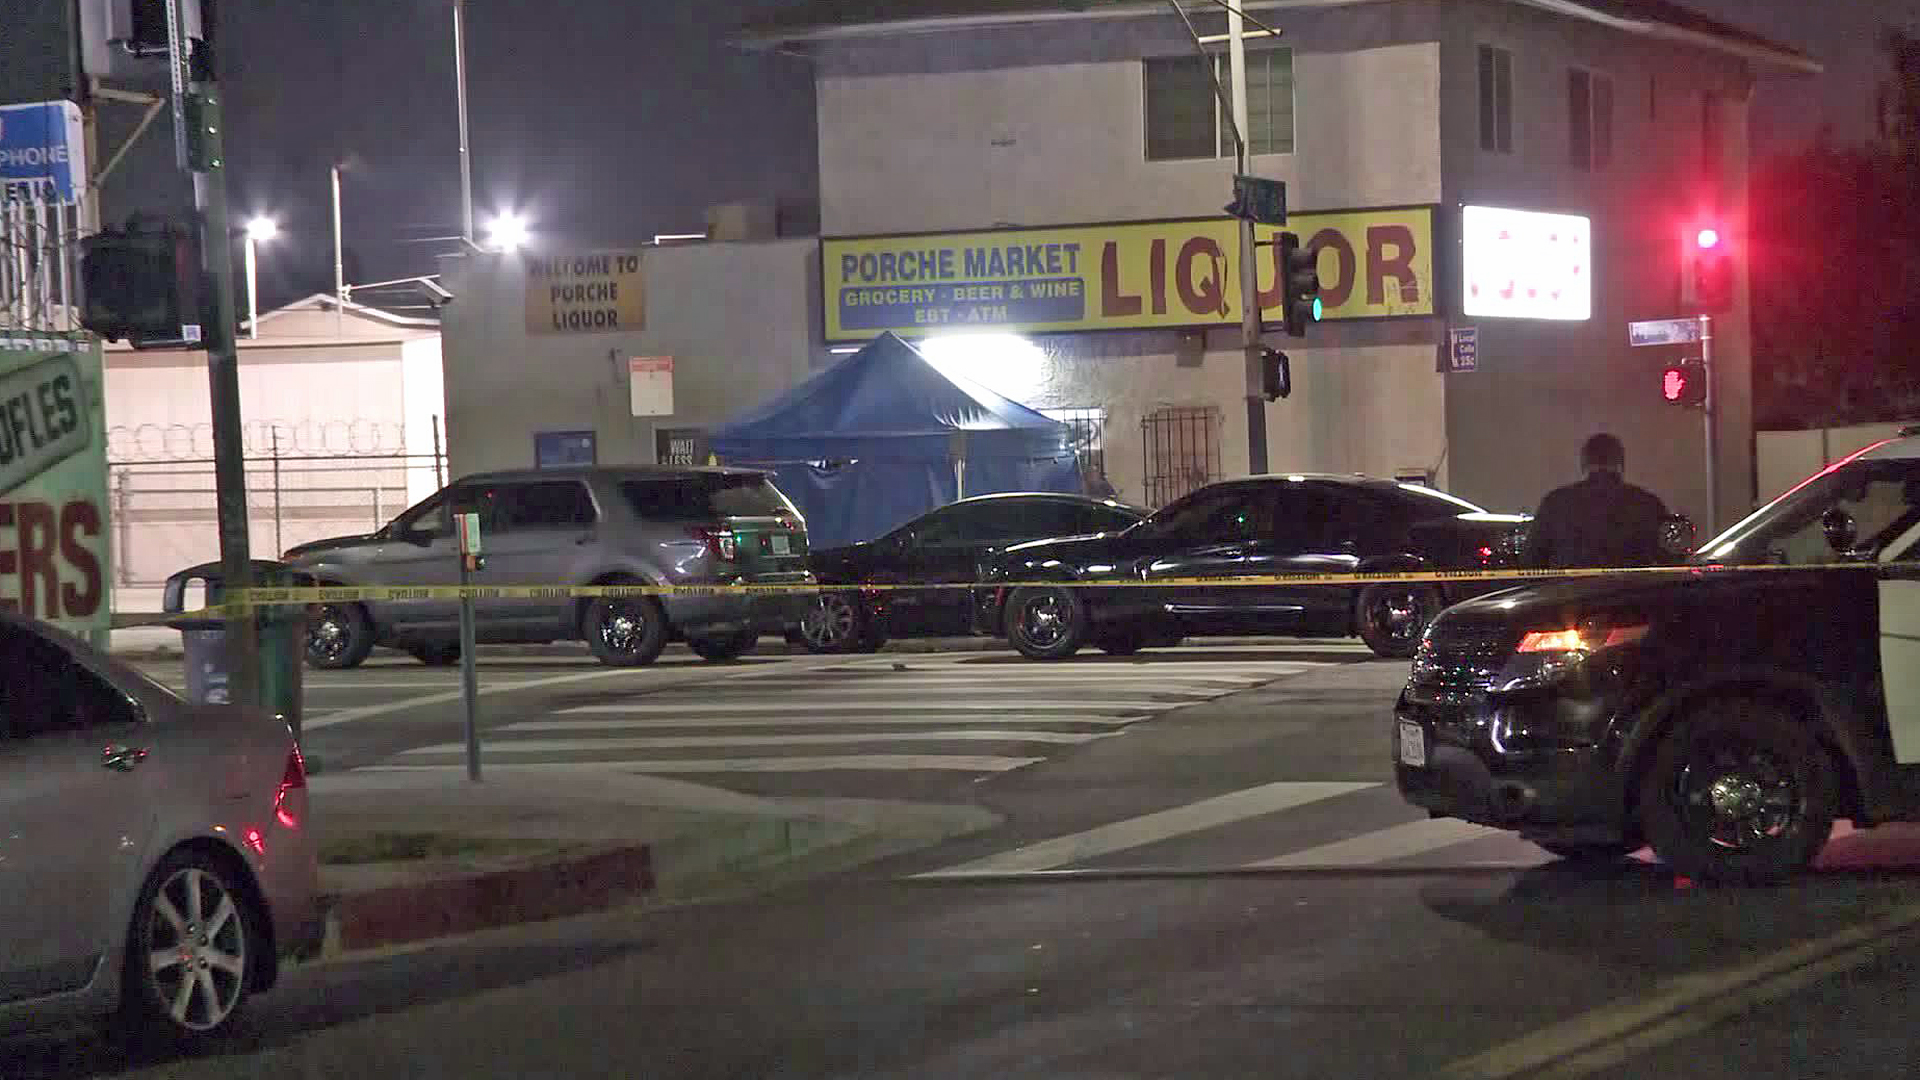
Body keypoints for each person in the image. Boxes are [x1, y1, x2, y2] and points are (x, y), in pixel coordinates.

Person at [1521, 432, 1670, 569]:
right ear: (1621, 463)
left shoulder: (1556, 502)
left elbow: (1532, 558)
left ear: (1584, 463)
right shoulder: (1647, 503)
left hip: (1571, 593)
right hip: (1630, 594)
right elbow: (1667, 557)